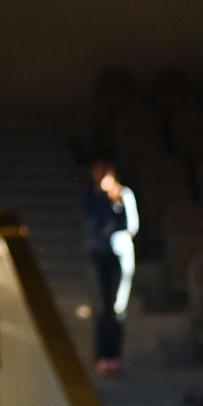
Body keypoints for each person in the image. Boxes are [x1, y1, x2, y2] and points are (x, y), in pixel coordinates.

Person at [80, 160, 137, 377]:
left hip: (119, 256)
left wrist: (112, 229)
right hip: (97, 255)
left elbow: (131, 225)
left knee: (117, 307)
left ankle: (115, 356)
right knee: (102, 307)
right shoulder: (90, 197)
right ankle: (102, 356)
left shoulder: (123, 195)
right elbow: (90, 222)